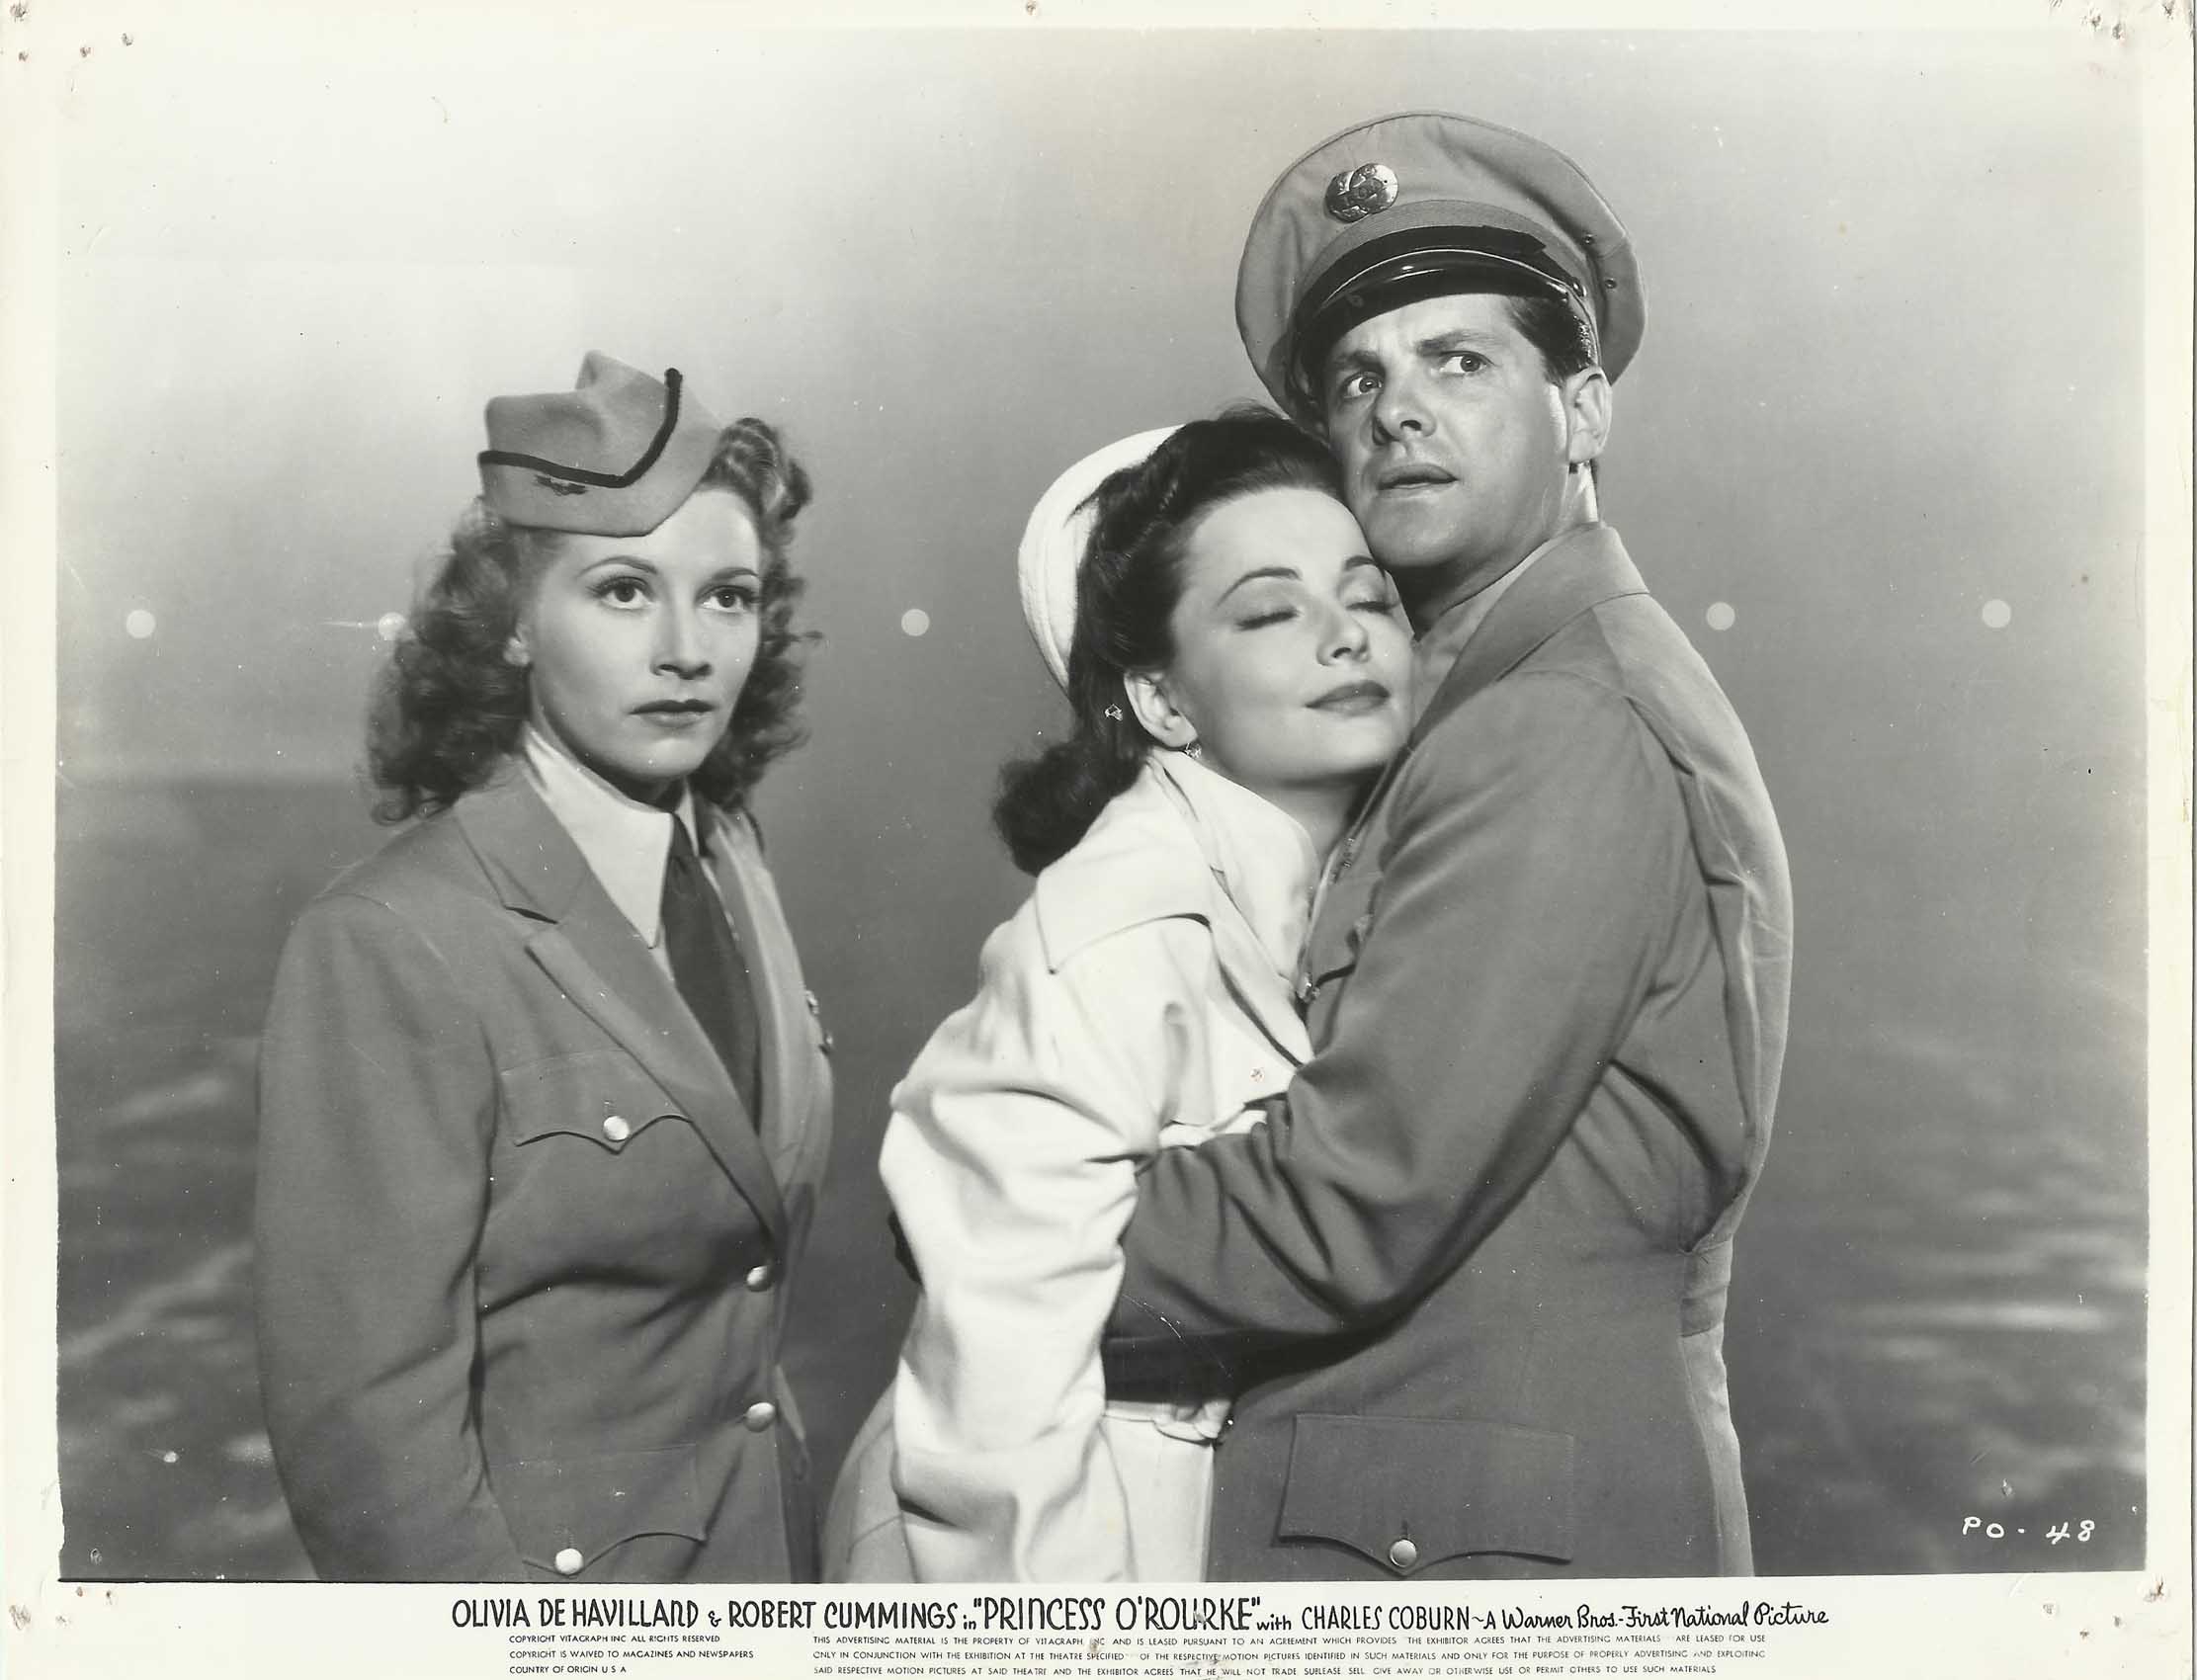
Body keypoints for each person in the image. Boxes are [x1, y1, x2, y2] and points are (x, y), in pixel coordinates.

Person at [1104, 112, 1795, 1580]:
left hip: (1475, 1557)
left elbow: (1345, 1201)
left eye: (1460, 362)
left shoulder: (1554, 721)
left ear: (1583, 411)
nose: (1396, 414)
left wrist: (996, 1231)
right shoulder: (1476, 698)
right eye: (1359, 378)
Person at [254, 354, 833, 1582]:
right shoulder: (393, 937)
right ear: (514, 621)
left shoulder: (730, 859)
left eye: (729, 597)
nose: (687, 649)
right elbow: (368, 1452)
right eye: (624, 591)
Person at [823, 409, 1412, 1582]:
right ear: (1162, 699)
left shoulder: (1345, 886)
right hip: (1038, 1538)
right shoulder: (1124, 911)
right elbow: (1001, 1347)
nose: (1345, 633)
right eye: (1271, 612)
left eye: (1370, 595)